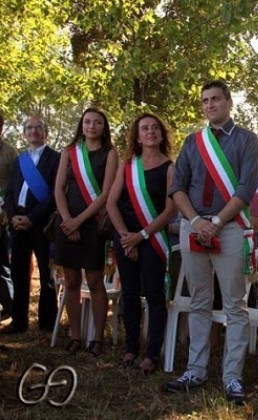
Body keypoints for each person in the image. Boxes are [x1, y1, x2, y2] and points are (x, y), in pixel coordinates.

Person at [164, 80, 258, 405]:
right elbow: (178, 186)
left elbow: (247, 188)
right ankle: (195, 370)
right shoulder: (193, 142)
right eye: (205, 100)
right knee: (199, 301)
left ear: (229, 102)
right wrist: (196, 221)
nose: (210, 105)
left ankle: (232, 377)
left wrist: (217, 222)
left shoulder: (248, 141)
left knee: (235, 304)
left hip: (230, 227)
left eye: (216, 99)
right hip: (193, 227)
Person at [106, 113, 175, 373]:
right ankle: (131, 348)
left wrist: (142, 236)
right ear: (137, 136)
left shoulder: (170, 167)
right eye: (145, 128)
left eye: (155, 127)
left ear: (161, 134)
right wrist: (126, 238)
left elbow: (170, 210)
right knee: (130, 294)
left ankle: (151, 354)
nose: (150, 131)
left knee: (156, 296)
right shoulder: (127, 166)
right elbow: (111, 203)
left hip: (153, 238)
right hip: (125, 238)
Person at [53, 107, 118, 355]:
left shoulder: (110, 153)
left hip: (92, 224)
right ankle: (75, 335)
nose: (91, 126)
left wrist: (78, 221)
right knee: (70, 281)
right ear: (82, 125)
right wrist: (68, 221)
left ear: (104, 127)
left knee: (94, 281)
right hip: (66, 223)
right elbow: (59, 189)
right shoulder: (69, 152)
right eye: (87, 122)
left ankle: (97, 338)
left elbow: (105, 195)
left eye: (97, 123)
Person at [0, 116, 60, 334]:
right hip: (17, 222)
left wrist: (32, 218)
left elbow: (55, 194)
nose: (33, 131)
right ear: (24, 133)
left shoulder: (56, 159)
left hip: (41, 223)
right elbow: (9, 192)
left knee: (46, 274)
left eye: (38, 128)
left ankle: (46, 323)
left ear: (46, 132)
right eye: (29, 128)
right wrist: (13, 214)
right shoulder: (20, 160)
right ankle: (19, 321)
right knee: (18, 272)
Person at [0, 113, 18, 320]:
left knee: (2, 263)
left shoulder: (10, 152)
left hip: (2, 217)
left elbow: (15, 186)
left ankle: (10, 306)